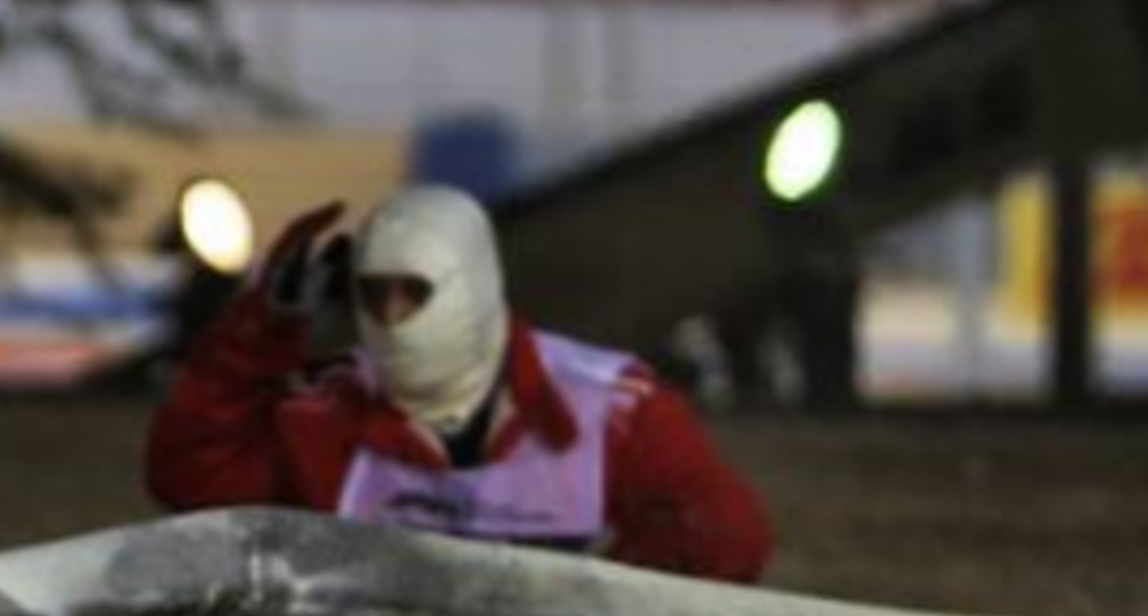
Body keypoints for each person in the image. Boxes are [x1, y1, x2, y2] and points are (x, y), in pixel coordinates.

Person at [144, 184, 773, 582]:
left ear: (469, 284)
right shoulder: (326, 411)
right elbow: (191, 477)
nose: (392, 320)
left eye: (412, 294)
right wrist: (259, 331)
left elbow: (728, 541)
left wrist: (604, 605)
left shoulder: (611, 408)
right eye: (374, 296)